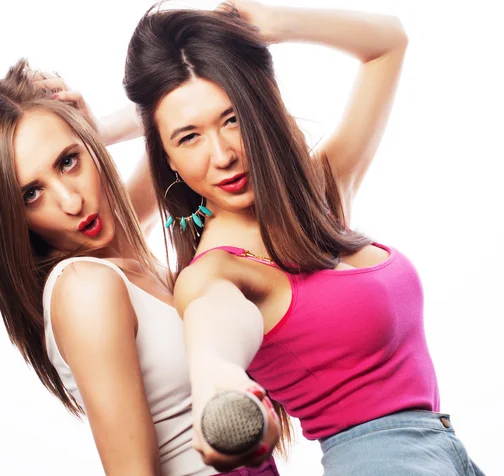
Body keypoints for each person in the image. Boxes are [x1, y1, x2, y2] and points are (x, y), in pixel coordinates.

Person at [123, 1, 485, 474]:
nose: (223, 155)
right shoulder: (216, 269)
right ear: (166, 157)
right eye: (188, 137)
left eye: (232, 119)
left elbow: (388, 43)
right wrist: (220, 387)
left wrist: (274, 25)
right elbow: (213, 341)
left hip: (450, 453)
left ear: (262, 109)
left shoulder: (322, 196)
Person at [0, 60, 279, 475]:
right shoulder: (85, 286)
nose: (72, 202)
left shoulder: (128, 262)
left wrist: (98, 126)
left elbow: (173, 127)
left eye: (69, 161)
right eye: (31, 194)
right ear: (12, 217)